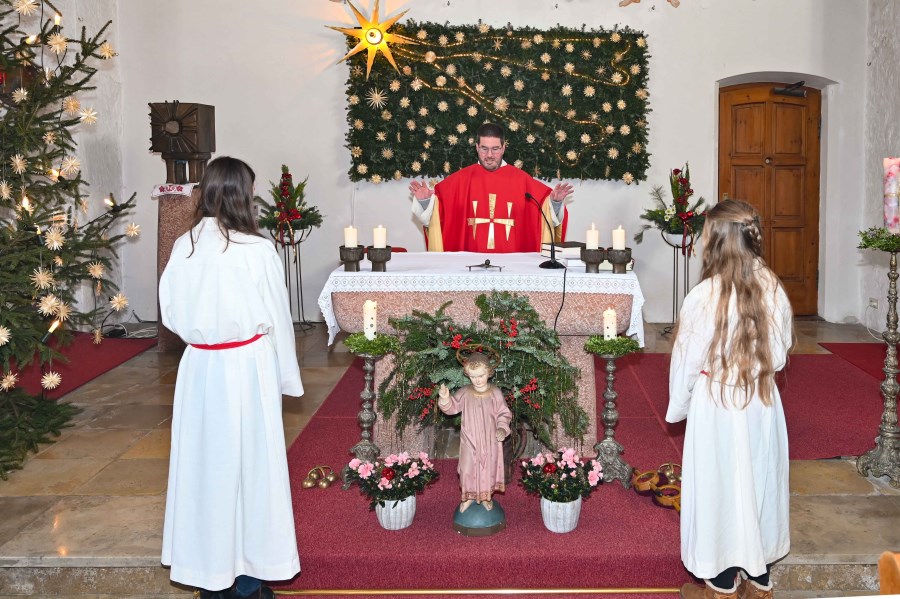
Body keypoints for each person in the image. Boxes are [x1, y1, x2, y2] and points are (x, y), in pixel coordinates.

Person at [158, 156, 303, 599]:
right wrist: (285, 378)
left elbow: (170, 314)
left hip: (201, 369)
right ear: (241, 195)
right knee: (251, 474)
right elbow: (278, 317)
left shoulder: (183, 246)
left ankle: (212, 578)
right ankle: (247, 582)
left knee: (207, 472)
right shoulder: (257, 251)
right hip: (246, 368)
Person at [666, 200, 794, 599]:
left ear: (717, 241)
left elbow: (686, 362)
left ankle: (721, 578)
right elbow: (783, 348)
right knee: (759, 478)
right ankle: (760, 572)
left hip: (717, 404)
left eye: (705, 233)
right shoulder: (773, 287)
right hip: (760, 401)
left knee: (719, 482)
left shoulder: (704, 296)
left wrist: (680, 406)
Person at [409, 122, 574, 252]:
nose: (489, 155)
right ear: (476, 148)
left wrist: (556, 203)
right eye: (484, 149)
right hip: (467, 266)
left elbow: (544, 210)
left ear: (503, 148)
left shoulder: (522, 180)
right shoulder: (459, 181)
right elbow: (437, 213)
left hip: (512, 266)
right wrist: (425, 202)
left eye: (495, 149)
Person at [438, 350, 512, 512]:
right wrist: (445, 398)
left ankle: (486, 497)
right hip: (469, 440)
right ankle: (469, 496)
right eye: (473, 376)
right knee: (467, 469)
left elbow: (504, 413)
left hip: (489, 441)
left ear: (489, 373)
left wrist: (501, 428)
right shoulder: (465, 392)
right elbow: (452, 408)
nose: (477, 380)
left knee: (487, 469)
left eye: (480, 375)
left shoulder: (495, 393)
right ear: (468, 375)